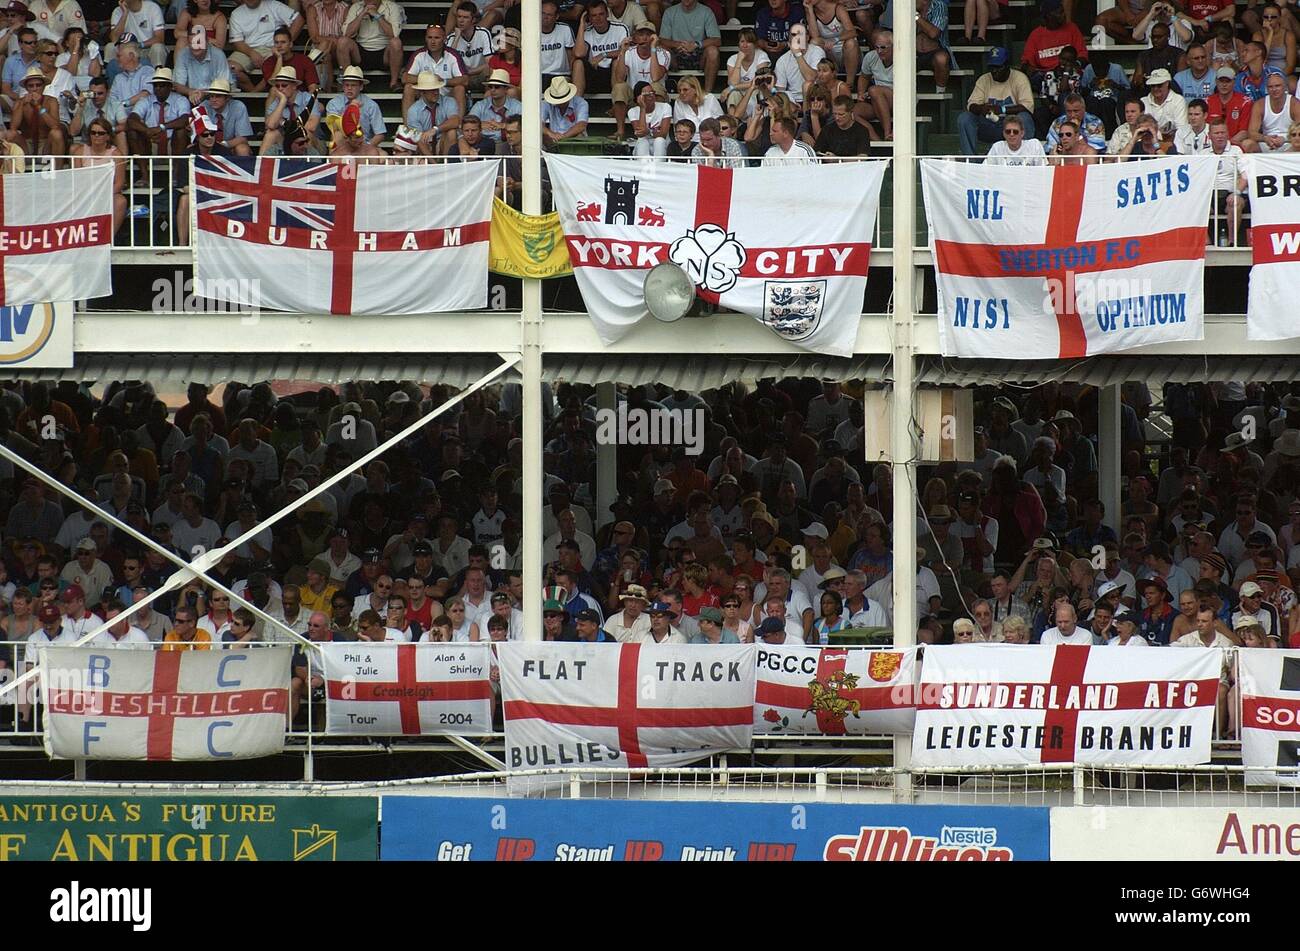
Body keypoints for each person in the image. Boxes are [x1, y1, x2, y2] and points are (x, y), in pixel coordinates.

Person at [960, 46, 1034, 155]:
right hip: (989, 125)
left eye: (998, 67)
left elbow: (1027, 107)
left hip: (1011, 126)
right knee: (965, 118)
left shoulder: (1019, 78)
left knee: (1024, 118)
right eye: (992, 67)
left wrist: (1002, 109)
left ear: (1007, 65)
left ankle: (1023, 159)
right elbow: (971, 105)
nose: (994, 71)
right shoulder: (984, 79)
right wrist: (981, 108)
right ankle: (970, 161)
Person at [338, 0, 402, 90]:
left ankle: (394, 82)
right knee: (342, 41)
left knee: (396, 42)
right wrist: (362, 14)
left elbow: (394, 34)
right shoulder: (356, 7)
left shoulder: (392, 7)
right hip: (361, 53)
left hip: (384, 53)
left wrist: (377, 15)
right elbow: (346, 33)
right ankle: (348, 82)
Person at [658, 0, 720, 92]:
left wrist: (696, 44)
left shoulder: (706, 11)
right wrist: (679, 44)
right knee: (660, 48)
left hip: (698, 53)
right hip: (676, 52)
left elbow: (717, 40)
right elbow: (662, 40)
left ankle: (708, 93)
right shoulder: (670, 12)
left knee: (713, 51)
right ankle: (661, 90)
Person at [1247, 71, 1300, 151]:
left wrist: (1284, 139)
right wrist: (1265, 138)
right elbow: (1252, 133)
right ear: (1267, 89)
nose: (1274, 89)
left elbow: (1299, 130)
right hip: (1267, 142)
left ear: (1285, 87)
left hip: (1288, 142)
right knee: (1247, 144)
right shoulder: (1260, 104)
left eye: (1277, 86)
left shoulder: (1294, 103)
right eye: (1270, 87)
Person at [541, 73, 587, 145]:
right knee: (542, 135)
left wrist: (564, 136)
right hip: (553, 140)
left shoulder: (581, 103)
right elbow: (539, 124)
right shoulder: (546, 103)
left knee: (580, 135)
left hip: (574, 138)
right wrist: (551, 134)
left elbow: (581, 125)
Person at [627, 79, 669, 156]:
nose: (652, 95)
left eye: (652, 92)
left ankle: (659, 166)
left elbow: (663, 134)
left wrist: (649, 132)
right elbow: (640, 133)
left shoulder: (665, 107)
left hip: (661, 145)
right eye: (647, 94)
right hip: (643, 146)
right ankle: (643, 167)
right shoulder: (632, 111)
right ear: (639, 97)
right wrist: (642, 108)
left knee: (659, 140)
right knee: (642, 140)